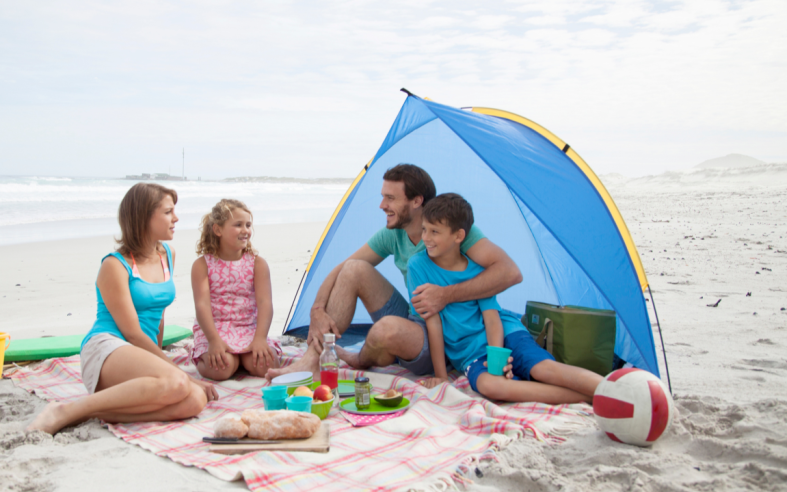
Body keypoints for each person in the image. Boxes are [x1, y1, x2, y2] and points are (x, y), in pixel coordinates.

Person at [266, 164, 523, 381]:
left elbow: (510, 272)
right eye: (382, 196)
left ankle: (360, 358)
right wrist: (317, 309)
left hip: (453, 333)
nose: (381, 205)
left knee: (383, 332)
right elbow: (341, 268)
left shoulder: (449, 228)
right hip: (418, 324)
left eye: (390, 198)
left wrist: (446, 295)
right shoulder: (393, 234)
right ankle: (313, 360)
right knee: (354, 269)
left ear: (416, 201)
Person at [27, 183, 217, 435]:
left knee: (194, 401)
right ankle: (65, 411)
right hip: (108, 347)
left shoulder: (167, 254)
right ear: (144, 217)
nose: (176, 218)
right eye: (168, 212)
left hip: (138, 353)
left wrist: (156, 360)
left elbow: (157, 315)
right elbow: (133, 334)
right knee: (179, 381)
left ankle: (94, 411)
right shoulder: (114, 266)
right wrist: (178, 371)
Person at [410, 193, 602, 403]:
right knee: (491, 386)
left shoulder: (477, 270)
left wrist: (497, 359)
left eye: (434, 232)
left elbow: (492, 319)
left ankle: (614, 388)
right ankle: (593, 397)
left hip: (506, 334)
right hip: (470, 352)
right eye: (424, 229)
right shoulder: (417, 266)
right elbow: (433, 322)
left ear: (458, 236)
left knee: (544, 371)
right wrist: (441, 377)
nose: (425, 238)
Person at [190, 199, 281, 380]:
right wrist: (213, 340)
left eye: (248, 225)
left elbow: (265, 303)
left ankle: (242, 358)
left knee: (266, 366)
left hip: (248, 328)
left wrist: (260, 338)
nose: (245, 230)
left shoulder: (257, 263)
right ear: (218, 230)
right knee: (222, 369)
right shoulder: (202, 265)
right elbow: (202, 305)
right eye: (238, 225)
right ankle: (206, 357)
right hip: (215, 329)